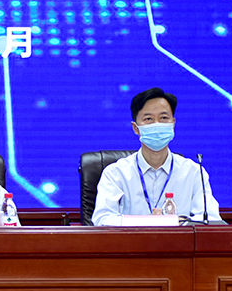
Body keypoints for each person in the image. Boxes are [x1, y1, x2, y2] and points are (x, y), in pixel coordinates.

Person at [91, 87, 221, 225]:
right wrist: (150, 222)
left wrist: (173, 222)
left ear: (173, 124)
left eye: (164, 118)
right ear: (135, 128)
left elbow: (211, 220)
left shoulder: (194, 173)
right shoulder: (115, 173)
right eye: (148, 119)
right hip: (131, 240)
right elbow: (102, 219)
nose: (157, 125)